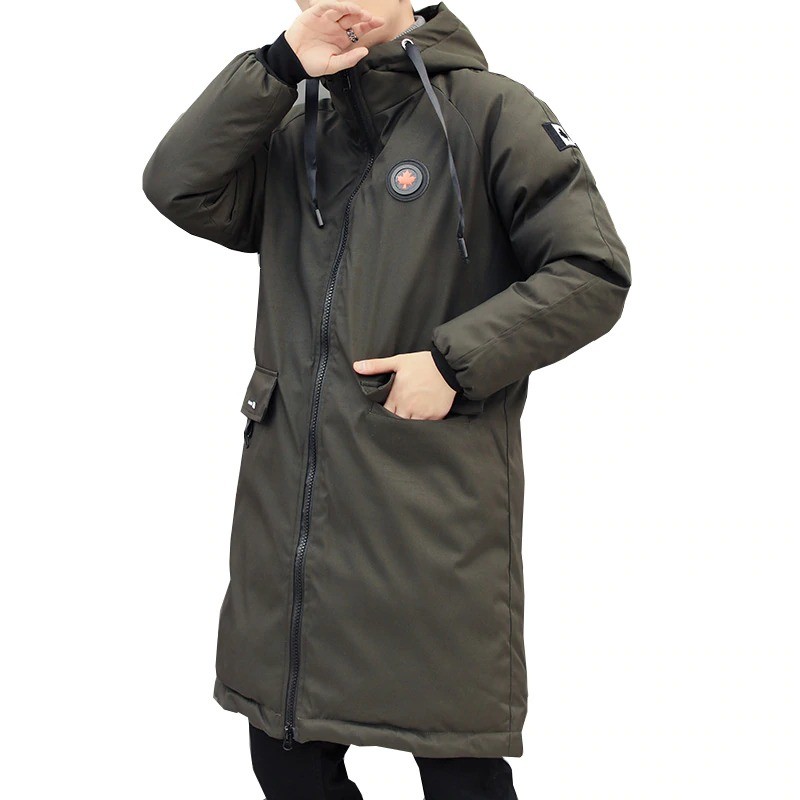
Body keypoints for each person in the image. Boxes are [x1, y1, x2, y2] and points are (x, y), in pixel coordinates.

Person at [142, 1, 631, 797]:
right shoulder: (291, 125)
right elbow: (177, 185)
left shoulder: (491, 112)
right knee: (286, 757)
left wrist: (455, 363)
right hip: (289, 515)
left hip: (427, 506)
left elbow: (591, 272)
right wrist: (276, 69)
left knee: (457, 767)